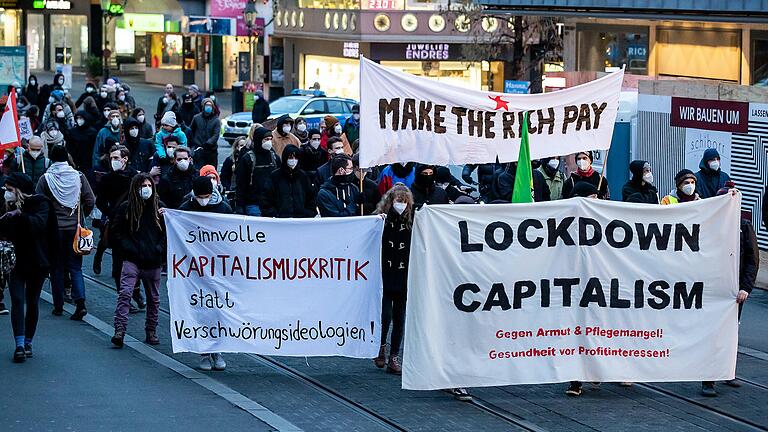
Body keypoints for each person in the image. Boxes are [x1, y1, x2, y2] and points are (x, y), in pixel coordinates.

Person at [701, 184, 758, 397]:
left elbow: (752, 260)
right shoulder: (709, 225)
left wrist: (745, 287)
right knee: (711, 334)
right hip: (711, 290)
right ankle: (708, 379)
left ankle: (726, 370)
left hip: (733, 293)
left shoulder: (743, 227)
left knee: (729, 332)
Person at [36, 145, 95, 320]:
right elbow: (90, 200)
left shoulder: (46, 178)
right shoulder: (79, 177)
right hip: (74, 229)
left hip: (53, 231)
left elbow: (37, 201)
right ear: (66, 158)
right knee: (75, 267)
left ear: (52, 159)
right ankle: (81, 304)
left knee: (56, 268)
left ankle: (59, 305)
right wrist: (81, 215)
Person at [109, 173, 166, 348]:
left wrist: (159, 248)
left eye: (149, 185)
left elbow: (167, 233)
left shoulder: (159, 208)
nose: (146, 189)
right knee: (125, 293)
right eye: (143, 186)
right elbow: (115, 231)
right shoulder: (126, 208)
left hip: (153, 260)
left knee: (153, 298)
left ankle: (151, 331)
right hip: (131, 258)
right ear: (135, 189)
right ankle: (119, 330)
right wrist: (127, 248)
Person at [0, 173, 52, 363]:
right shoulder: (5, 205)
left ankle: (28, 341)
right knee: (16, 299)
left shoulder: (40, 203)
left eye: (10, 190)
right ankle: (19, 344)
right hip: (15, 261)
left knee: (32, 301)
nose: (6, 194)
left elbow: (39, 225)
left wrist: (20, 214)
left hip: (37, 261)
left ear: (20, 191)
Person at [373, 183, 413, 375]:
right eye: (399, 201)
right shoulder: (381, 220)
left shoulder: (413, 221)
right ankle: (380, 347)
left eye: (405, 202)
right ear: (391, 201)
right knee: (385, 315)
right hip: (385, 274)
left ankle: (394, 356)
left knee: (400, 317)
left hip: (404, 275)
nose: (402, 205)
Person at [235, 127, 280, 216]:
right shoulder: (248, 159)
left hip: (272, 204)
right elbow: (241, 184)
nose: (269, 142)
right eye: (266, 139)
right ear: (259, 140)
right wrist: (239, 205)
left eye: (271, 139)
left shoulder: (274, 157)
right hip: (254, 204)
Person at [262, 145, 316, 218]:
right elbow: (266, 199)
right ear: (285, 158)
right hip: (280, 221)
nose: (293, 160)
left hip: (301, 220)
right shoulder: (275, 176)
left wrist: (307, 213)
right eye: (290, 157)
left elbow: (311, 198)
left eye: (296, 158)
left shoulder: (303, 176)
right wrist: (275, 214)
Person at [190, 98, 221, 167]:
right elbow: (191, 130)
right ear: (203, 106)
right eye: (207, 105)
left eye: (210, 105)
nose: (208, 107)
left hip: (211, 150)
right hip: (198, 148)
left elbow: (216, 134)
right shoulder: (196, 118)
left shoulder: (216, 120)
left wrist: (208, 143)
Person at [66, 110, 98, 174]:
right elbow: (69, 146)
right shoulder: (72, 131)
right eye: (77, 118)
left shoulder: (92, 132)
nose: (79, 120)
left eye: (81, 118)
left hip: (88, 162)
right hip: (75, 161)